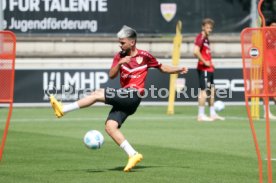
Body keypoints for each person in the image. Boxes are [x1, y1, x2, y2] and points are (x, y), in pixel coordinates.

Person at [49, 25, 188, 172]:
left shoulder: (145, 56)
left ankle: (63, 109)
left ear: (132, 42)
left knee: (96, 94)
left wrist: (178, 69)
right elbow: (112, 75)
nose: (120, 45)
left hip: (133, 94)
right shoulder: (119, 56)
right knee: (110, 127)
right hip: (126, 97)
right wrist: (120, 63)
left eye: (122, 42)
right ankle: (133, 154)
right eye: (119, 42)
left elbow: (162, 68)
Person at [193, 18, 225, 122]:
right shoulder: (201, 37)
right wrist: (205, 61)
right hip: (203, 69)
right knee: (204, 92)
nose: (210, 29)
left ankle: (212, 114)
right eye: (207, 27)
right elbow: (195, 51)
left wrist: (211, 63)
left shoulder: (206, 38)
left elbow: (204, 53)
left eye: (211, 28)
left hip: (209, 69)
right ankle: (201, 115)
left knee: (211, 91)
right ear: (203, 27)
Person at [263, 17, 276, 119]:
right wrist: (266, 66)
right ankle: (266, 112)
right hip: (268, 66)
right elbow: (263, 53)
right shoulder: (266, 37)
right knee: (267, 90)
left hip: (275, 66)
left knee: (274, 90)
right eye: (273, 26)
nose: (274, 28)